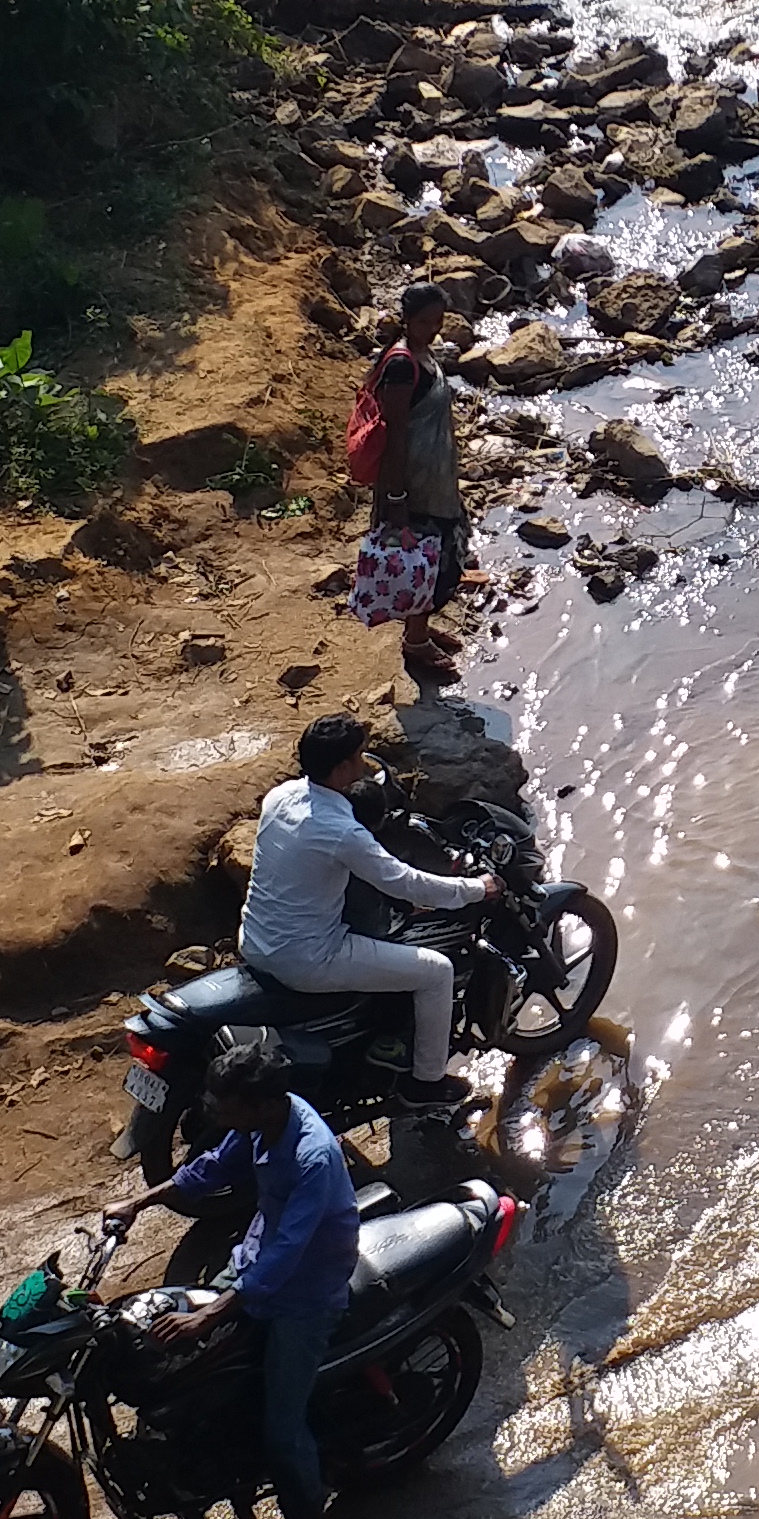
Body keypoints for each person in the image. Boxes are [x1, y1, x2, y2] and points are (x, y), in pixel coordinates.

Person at [114, 1031, 358, 1519]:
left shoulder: (312, 1156)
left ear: (263, 1103)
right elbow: (212, 1167)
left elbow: (288, 1254)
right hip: (256, 1261)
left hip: (304, 1293)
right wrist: (140, 1203)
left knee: (282, 1428)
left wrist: (211, 1314)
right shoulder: (258, 1127)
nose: (216, 1114)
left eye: (226, 1107)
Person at [242, 715, 496, 1097]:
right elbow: (405, 883)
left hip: (254, 940)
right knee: (436, 972)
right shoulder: (343, 832)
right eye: (359, 756)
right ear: (343, 767)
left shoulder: (280, 798)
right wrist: (474, 889)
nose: (363, 763)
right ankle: (426, 1081)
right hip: (308, 959)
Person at [363, 289, 473, 684]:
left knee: (434, 556)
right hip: (411, 483)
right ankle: (416, 641)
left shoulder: (423, 355)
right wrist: (396, 497)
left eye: (438, 320)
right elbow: (394, 436)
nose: (433, 328)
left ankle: (419, 629)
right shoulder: (400, 366)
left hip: (435, 478)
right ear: (406, 319)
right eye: (425, 321)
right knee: (425, 561)